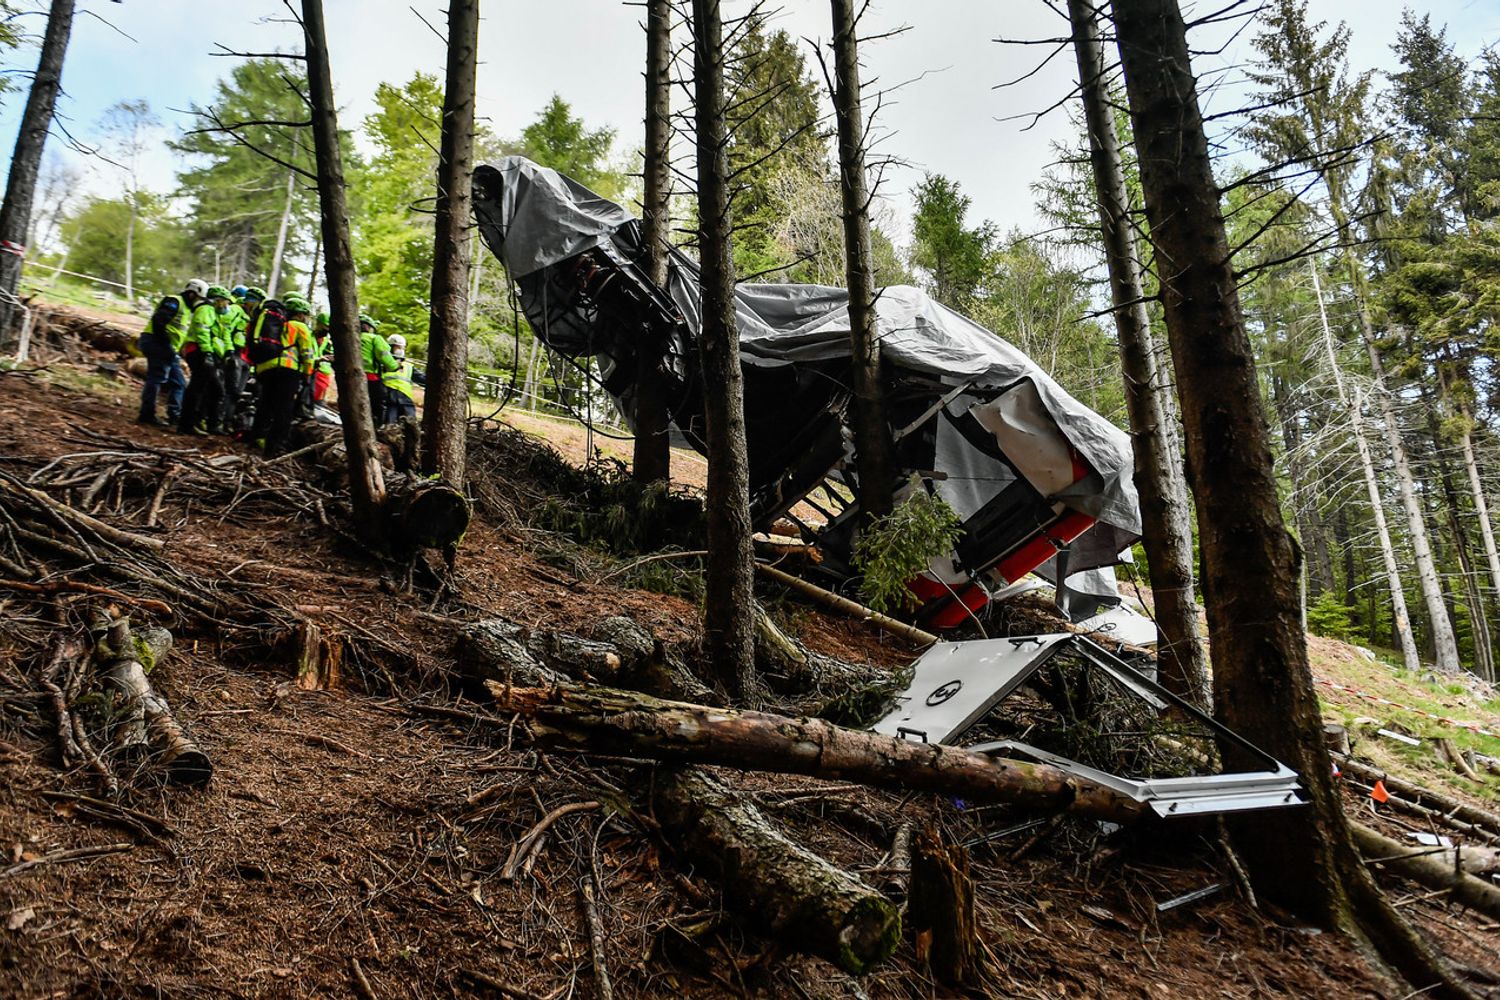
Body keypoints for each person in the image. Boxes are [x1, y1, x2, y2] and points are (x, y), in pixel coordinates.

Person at [250, 294, 314, 457]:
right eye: (305, 315)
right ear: (300, 314)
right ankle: (275, 448)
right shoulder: (300, 327)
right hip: (288, 370)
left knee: (266, 404)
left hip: (266, 369)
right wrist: (307, 372)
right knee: (284, 410)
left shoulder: (279, 324)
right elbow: (307, 353)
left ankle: (255, 438)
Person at [135, 279, 200, 426]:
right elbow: (159, 322)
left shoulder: (188, 310)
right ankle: (146, 414)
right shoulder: (174, 301)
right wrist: (167, 346)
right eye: (198, 298)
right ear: (192, 294)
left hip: (168, 348)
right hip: (156, 342)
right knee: (156, 377)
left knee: (179, 383)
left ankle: (174, 415)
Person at [177, 285, 228, 436]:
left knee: (214, 389)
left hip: (202, 351)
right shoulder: (206, 309)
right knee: (197, 388)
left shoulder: (212, 312)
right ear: (218, 300)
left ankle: (207, 424)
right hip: (199, 351)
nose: (227, 306)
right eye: (225, 302)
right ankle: (186, 424)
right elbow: (202, 330)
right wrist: (207, 352)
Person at [218, 288, 252, 430]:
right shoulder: (236, 310)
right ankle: (218, 421)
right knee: (229, 390)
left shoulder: (253, 317)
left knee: (236, 393)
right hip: (235, 354)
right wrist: (229, 351)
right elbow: (226, 329)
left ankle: (227, 422)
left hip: (246, 358)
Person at [358, 314, 396, 427]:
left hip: (351, 377)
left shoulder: (350, 338)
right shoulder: (374, 338)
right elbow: (384, 355)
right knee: (378, 404)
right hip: (371, 377)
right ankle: (377, 427)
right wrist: (394, 366)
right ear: (369, 327)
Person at [382, 333, 425, 424]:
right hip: (389, 399)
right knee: (389, 427)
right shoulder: (382, 365)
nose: (400, 350)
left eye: (402, 347)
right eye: (397, 347)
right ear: (390, 347)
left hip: (406, 400)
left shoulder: (409, 366)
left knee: (411, 425)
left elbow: (422, 379)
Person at [310, 310, 334, 403]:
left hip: (322, 375)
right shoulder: (308, 335)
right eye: (325, 326)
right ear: (318, 323)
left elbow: (330, 354)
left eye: (328, 327)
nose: (327, 330)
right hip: (308, 370)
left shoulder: (327, 342)